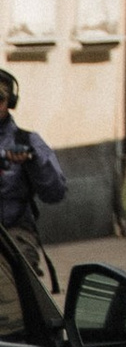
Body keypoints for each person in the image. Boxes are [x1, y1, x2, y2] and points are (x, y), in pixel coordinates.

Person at [0, 70, 66, 236]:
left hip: (12, 232)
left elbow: (55, 193)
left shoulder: (26, 141)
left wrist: (34, 163)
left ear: (10, 103)